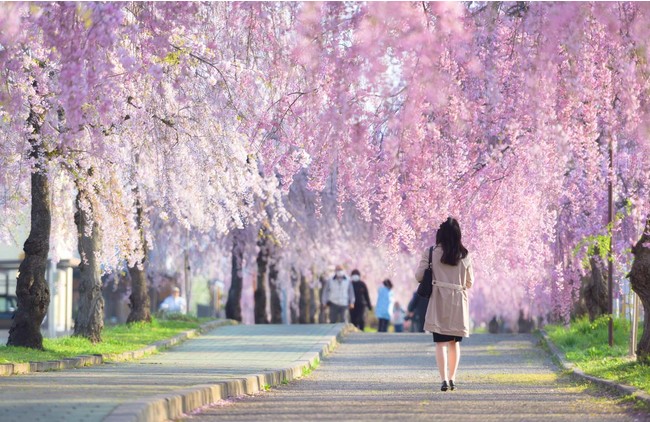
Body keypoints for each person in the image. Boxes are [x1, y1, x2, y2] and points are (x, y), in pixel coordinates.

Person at [415, 217, 474, 392]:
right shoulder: (465, 254)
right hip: (458, 301)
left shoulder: (431, 252)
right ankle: (452, 378)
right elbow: (470, 282)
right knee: (454, 343)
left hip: (439, 299)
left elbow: (419, 277)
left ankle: (443, 380)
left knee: (440, 342)